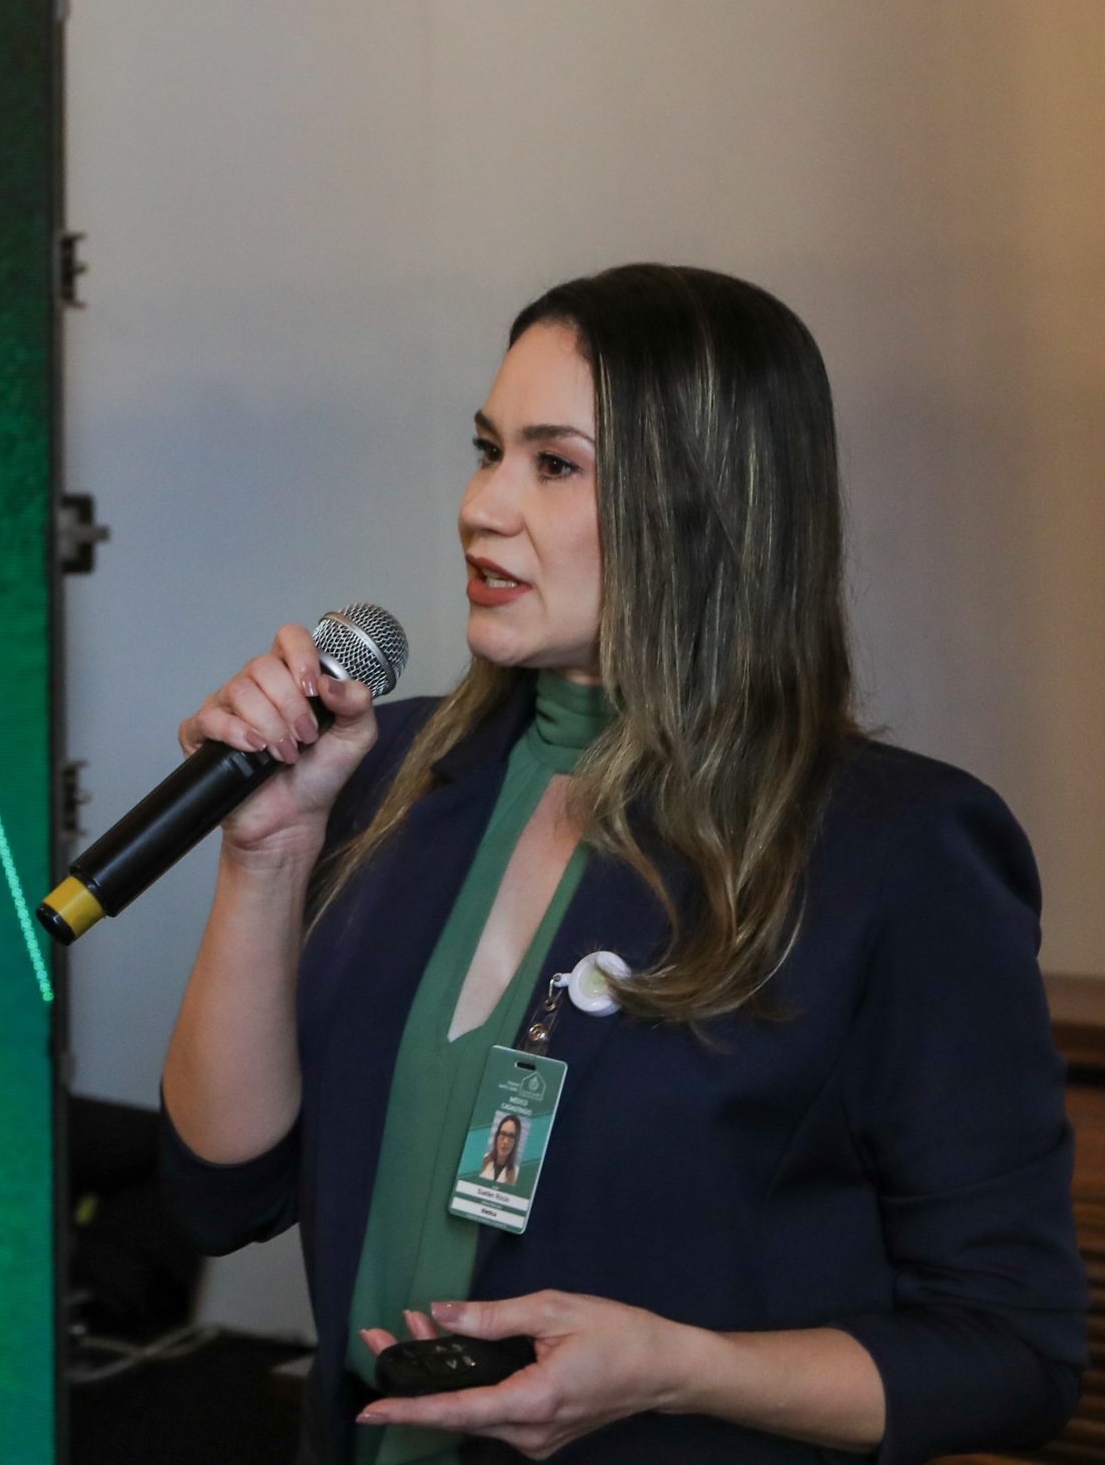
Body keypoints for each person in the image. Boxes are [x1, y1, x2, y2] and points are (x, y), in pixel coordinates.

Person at [156, 264, 1085, 1464]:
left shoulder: (899, 848)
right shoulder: (385, 770)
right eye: (487, 450)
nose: (482, 506)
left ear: (705, 502)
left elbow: (1011, 1356)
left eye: (554, 464)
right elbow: (222, 1193)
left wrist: (678, 1368)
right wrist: (265, 854)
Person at [473, 1115, 521, 1186]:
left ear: (516, 1142)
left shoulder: (517, 1175)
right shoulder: (479, 1161)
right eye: (503, 1134)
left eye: (511, 1136)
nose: (505, 1141)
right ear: (496, 1136)